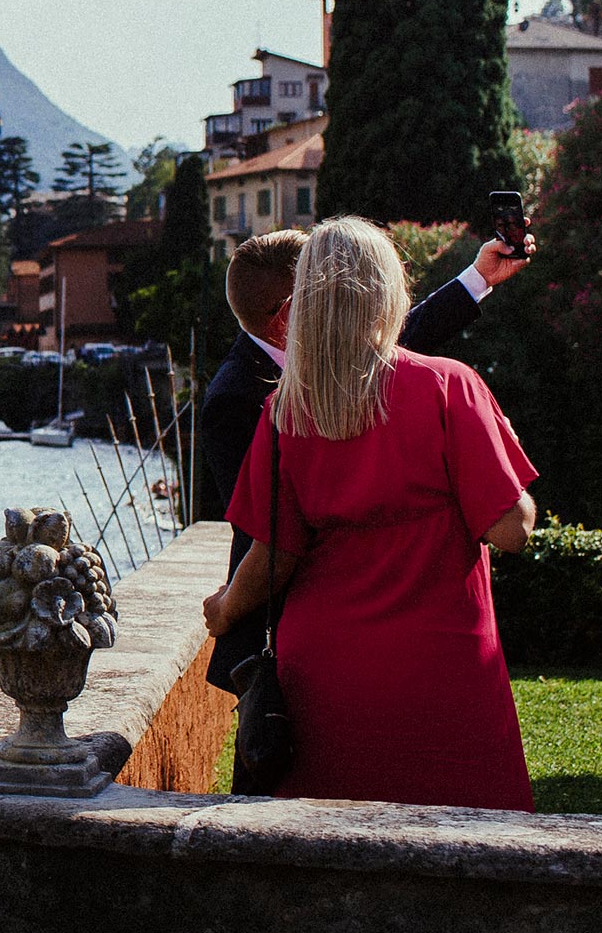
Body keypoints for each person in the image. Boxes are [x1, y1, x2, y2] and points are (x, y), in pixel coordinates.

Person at [202, 217, 538, 809]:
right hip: (443, 660)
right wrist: (509, 466)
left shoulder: (286, 410)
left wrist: (225, 609)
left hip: (324, 672)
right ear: (389, 291)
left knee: (326, 855)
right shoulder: (449, 387)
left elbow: (274, 553)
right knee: (470, 845)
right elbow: (510, 530)